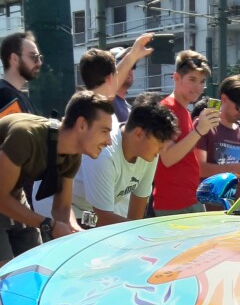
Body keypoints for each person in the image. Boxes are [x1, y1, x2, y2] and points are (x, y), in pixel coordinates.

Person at [0, 91, 115, 278]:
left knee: (35, 268)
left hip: (11, 192)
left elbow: (62, 210)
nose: (109, 141)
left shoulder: (73, 154)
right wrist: (47, 224)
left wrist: (75, 233)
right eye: (104, 131)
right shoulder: (26, 136)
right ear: (81, 125)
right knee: (6, 277)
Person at [32, 93, 177, 227]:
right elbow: (105, 221)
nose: (163, 149)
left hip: (91, 212)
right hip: (54, 202)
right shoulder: (106, 155)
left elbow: (134, 219)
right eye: (160, 142)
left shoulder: (150, 155)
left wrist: (137, 237)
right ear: (139, 134)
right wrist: (146, 231)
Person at [151, 50, 220, 215]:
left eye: (202, 81)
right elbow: (167, 158)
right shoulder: (166, 108)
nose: (198, 87)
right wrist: (198, 131)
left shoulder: (184, 110)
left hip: (188, 199)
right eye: (192, 80)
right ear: (176, 78)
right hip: (173, 203)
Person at [76, 35, 153, 102]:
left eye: (133, 65)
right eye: (122, 63)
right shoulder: (102, 101)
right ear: (109, 76)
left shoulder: (128, 108)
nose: (129, 69)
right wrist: (132, 56)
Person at [0, 31, 39, 116]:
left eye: (39, 58)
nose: (39, 63)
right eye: (33, 57)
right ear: (15, 59)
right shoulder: (3, 94)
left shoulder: (21, 95)